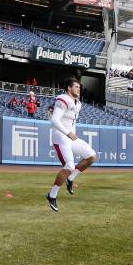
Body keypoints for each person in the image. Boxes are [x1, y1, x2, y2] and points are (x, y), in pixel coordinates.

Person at [45, 78, 97, 212]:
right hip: (61, 136)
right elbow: (55, 120)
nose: (79, 89)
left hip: (71, 137)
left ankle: (71, 179)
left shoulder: (78, 103)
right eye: (76, 87)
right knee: (68, 166)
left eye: (79, 87)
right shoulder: (62, 99)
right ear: (69, 88)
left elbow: (71, 121)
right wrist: (68, 133)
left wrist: (71, 133)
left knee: (91, 156)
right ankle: (52, 195)